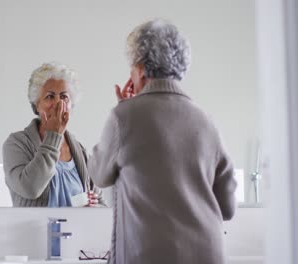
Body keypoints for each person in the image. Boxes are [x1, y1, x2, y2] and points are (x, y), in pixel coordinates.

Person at [88, 19, 237, 264]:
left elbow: (100, 175)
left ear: (140, 67)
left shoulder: (124, 116)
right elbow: (228, 207)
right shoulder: (206, 121)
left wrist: (123, 112)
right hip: (208, 255)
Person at [3, 62, 106, 207]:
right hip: (33, 229)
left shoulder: (79, 151)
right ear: (36, 105)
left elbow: (101, 204)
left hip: (74, 230)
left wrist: (94, 207)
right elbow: (30, 188)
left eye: (64, 96)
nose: (58, 103)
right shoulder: (17, 143)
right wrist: (54, 136)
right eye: (50, 96)